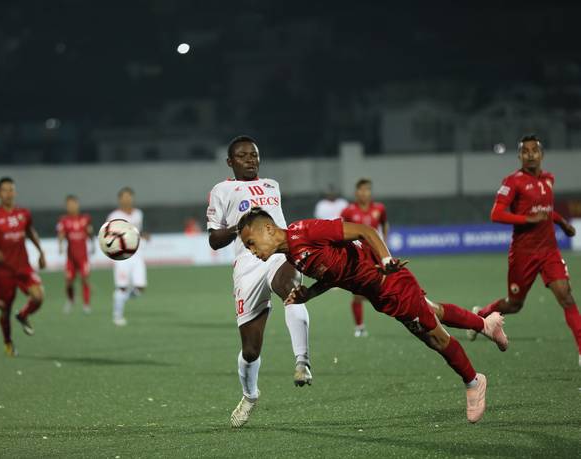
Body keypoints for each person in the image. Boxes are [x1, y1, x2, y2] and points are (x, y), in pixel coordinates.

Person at [237, 208, 509, 423]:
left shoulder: (306, 231)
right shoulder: (294, 257)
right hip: (376, 292)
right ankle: (486, 324)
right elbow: (333, 275)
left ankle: (473, 381)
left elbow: (365, 231)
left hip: (388, 283)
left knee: (434, 338)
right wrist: (310, 294)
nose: (251, 251)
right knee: (432, 310)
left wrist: (386, 260)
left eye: (251, 243)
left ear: (269, 229)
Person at [207, 135, 312, 428]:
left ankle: (302, 361)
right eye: (242, 156)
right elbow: (214, 240)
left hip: (277, 253)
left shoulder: (272, 186)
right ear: (230, 162)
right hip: (247, 265)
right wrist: (239, 225)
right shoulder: (221, 190)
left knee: (291, 289)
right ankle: (250, 395)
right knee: (251, 350)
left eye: (254, 155)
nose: (250, 160)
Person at [469, 135, 580, 366]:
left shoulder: (549, 179)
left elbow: (547, 211)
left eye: (535, 150)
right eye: (525, 151)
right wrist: (526, 219)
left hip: (550, 251)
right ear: (519, 156)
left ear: (542, 154)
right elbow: (496, 213)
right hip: (523, 254)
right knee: (514, 304)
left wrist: (562, 223)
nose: (530, 154)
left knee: (566, 297)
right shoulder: (512, 181)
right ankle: (479, 318)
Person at [0, 177, 46, 357]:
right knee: (5, 310)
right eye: (4, 190)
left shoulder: (24, 213)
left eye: (11, 189)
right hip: (3, 271)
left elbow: (30, 232)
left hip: (23, 267)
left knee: (38, 296)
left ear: (15, 192)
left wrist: (41, 251)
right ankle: (8, 342)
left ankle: (22, 315)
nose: (8, 193)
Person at [341, 178, 388, 337]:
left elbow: (384, 224)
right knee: (358, 293)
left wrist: (385, 245)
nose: (364, 193)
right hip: (358, 256)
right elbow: (341, 230)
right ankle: (359, 327)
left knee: (385, 288)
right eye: (361, 190)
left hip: (377, 254)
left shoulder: (379, 208)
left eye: (367, 189)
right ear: (356, 192)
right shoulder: (348, 211)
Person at [107, 187, 147, 326]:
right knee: (122, 286)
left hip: (137, 255)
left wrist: (144, 235)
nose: (127, 199)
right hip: (122, 256)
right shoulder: (113, 216)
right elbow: (108, 237)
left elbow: (138, 231)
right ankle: (117, 316)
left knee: (140, 288)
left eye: (129, 196)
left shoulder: (138, 214)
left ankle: (120, 298)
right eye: (124, 197)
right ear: (119, 199)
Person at [57, 195, 94, 314]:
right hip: (71, 258)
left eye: (74, 204)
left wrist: (93, 243)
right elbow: (61, 234)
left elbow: (90, 232)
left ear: (78, 204)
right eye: (69, 205)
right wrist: (60, 245)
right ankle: (70, 300)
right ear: (66, 206)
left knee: (85, 279)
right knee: (68, 281)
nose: (72, 207)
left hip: (83, 257)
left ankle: (86, 305)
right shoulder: (64, 220)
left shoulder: (86, 218)